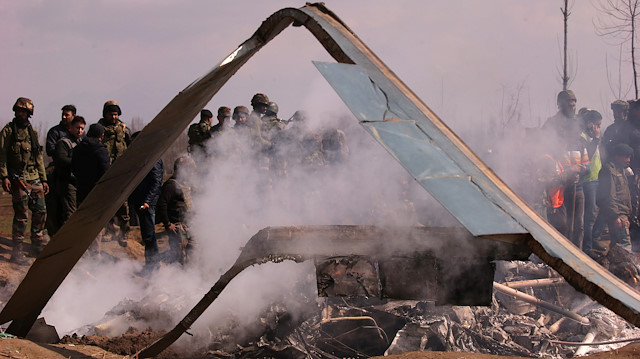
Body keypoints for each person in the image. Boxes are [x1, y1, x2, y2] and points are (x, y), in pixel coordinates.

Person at [0, 97, 49, 264]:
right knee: (21, 216)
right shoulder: (8, 131)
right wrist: (4, 177)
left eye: (25, 112)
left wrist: (43, 179)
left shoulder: (32, 133)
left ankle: (37, 246)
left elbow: (38, 157)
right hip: (17, 178)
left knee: (41, 212)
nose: (21, 114)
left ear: (29, 114)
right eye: (19, 111)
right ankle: (17, 251)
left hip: (34, 177)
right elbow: (2, 156)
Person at [98, 100, 131, 246]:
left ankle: (124, 232)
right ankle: (109, 230)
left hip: (121, 171)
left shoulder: (123, 129)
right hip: (105, 172)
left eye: (116, 114)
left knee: (123, 205)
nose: (114, 117)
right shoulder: (99, 129)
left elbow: (131, 147)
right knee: (106, 204)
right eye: (111, 114)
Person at [129, 131, 164, 269]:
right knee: (146, 234)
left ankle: (153, 266)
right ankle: (151, 265)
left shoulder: (152, 158)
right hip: (141, 200)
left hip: (147, 202)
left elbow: (156, 182)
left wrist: (147, 201)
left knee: (149, 235)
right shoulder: (141, 157)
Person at [157, 156, 195, 265]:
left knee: (193, 252)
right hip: (179, 227)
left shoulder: (185, 184)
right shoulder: (171, 185)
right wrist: (168, 224)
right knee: (180, 254)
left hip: (190, 225)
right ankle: (179, 276)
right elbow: (161, 204)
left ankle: (193, 273)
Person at [597, 143, 634, 254]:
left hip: (621, 213)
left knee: (616, 247)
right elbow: (609, 195)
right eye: (626, 157)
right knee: (625, 247)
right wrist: (615, 216)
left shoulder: (620, 169)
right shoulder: (609, 171)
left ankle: (613, 269)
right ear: (617, 156)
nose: (628, 160)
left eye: (629, 157)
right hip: (618, 214)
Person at [51, 116, 85, 231]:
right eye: (77, 128)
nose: (79, 131)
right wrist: (78, 163)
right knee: (70, 214)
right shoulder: (64, 143)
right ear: (70, 127)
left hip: (78, 182)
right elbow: (61, 159)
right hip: (66, 182)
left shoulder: (81, 143)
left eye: (82, 128)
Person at [579, 110, 603, 256]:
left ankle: (590, 244)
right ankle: (586, 249)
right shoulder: (583, 137)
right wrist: (596, 138)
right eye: (598, 125)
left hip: (595, 179)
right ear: (591, 124)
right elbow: (588, 153)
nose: (599, 128)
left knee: (594, 214)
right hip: (587, 182)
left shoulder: (590, 136)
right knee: (588, 216)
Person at [71, 123, 110, 205]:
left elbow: (74, 167)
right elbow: (105, 171)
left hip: (81, 188)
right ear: (102, 136)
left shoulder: (78, 148)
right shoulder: (101, 150)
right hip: (97, 191)